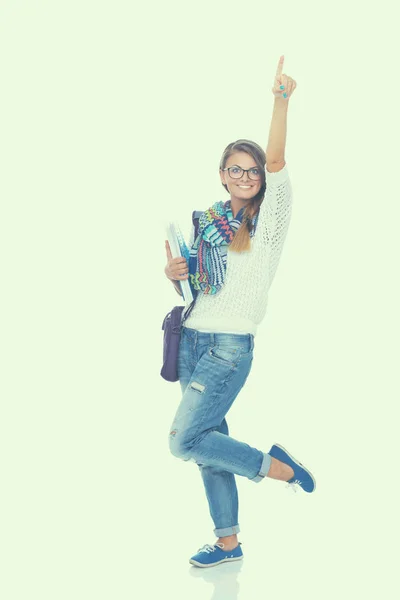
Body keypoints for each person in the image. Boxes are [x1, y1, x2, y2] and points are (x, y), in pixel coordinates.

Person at [163, 56, 315, 569]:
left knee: (184, 442)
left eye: (251, 170)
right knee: (207, 446)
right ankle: (228, 543)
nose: (245, 175)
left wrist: (280, 100)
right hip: (192, 340)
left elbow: (275, 162)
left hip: (229, 349)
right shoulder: (208, 223)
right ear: (222, 174)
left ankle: (281, 471)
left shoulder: (270, 220)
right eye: (235, 169)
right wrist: (176, 275)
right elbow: (201, 292)